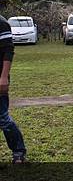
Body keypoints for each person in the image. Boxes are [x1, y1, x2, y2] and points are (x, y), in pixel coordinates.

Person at [0, 15, 27, 164]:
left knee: (3, 118)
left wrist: (3, 78)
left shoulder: (2, 23)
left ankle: (18, 151)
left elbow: (8, 51)